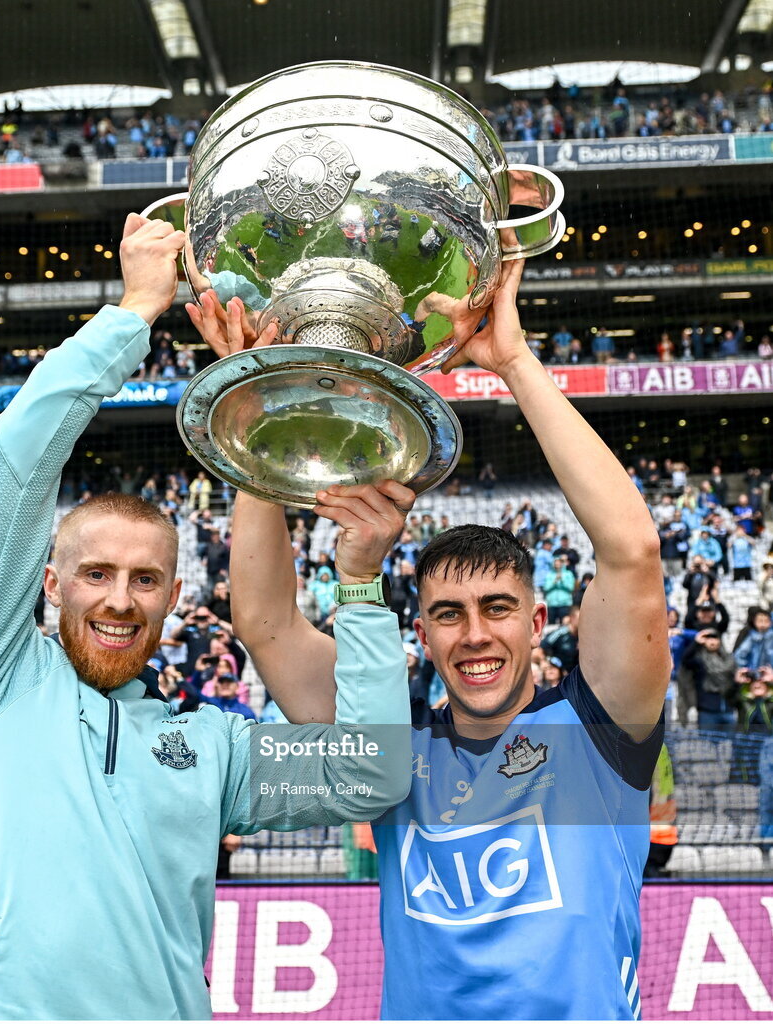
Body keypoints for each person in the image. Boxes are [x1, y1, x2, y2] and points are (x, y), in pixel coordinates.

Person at [0, 215, 411, 1020]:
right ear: (50, 581)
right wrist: (135, 312)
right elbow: (12, 469)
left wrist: (358, 585)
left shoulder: (208, 749)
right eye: (97, 573)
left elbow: (371, 774)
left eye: (145, 579)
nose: (119, 599)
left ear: (172, 597)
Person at [191, 257, 669, 1019]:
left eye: (497, 607)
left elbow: (632, 553)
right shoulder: (391, 755)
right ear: (421, 631)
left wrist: (513, 361)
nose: (475, 635)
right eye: (449, 613)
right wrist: (258, 398)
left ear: (540, 621)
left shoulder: (598, 734)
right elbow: (268, 624)